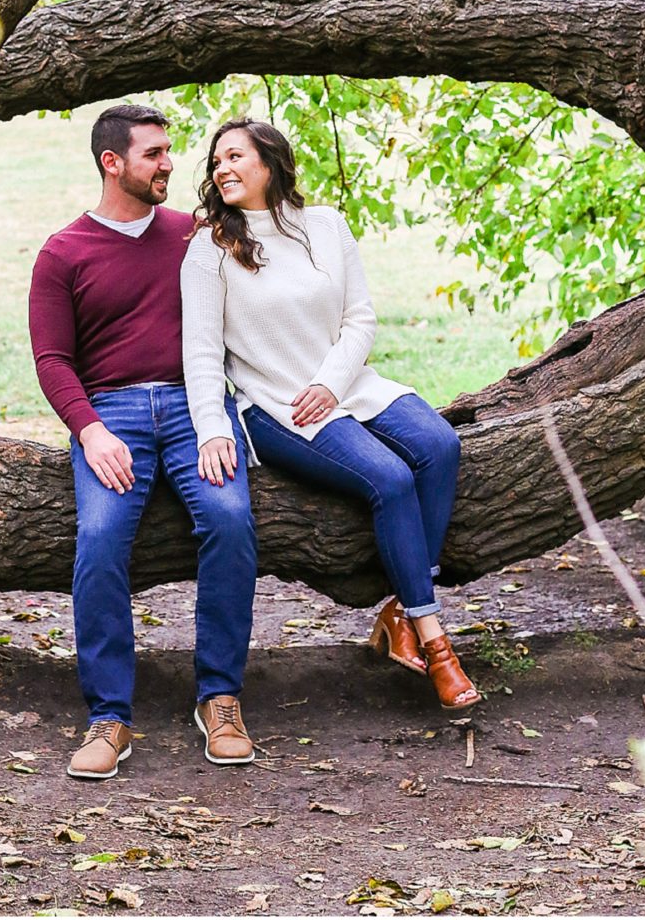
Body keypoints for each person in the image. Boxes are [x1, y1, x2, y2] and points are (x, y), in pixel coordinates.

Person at [181, 117, 479, 713]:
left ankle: (400, 609)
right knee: (390, 480)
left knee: (440, 445)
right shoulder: (210, 248)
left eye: (235, 156)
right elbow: (202, 351)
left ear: (271, 162)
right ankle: (436, 642)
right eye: (216, 161)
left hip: (348, 386)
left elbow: (360, 319)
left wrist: (330, 380)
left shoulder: (326, 225)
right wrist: (213, 429)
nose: (223, 169)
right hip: (280, 408)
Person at [28, 103, 258, 780]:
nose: (169, 164)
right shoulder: (62, 253)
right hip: (111, 416)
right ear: (112, 162)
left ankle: (219, 697)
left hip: (195, 407)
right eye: (153, 154)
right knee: (99, 539)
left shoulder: (193, 236)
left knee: (230, 518)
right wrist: (90, 431)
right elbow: (52, 361)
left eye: (166, 151)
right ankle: (109, 716)